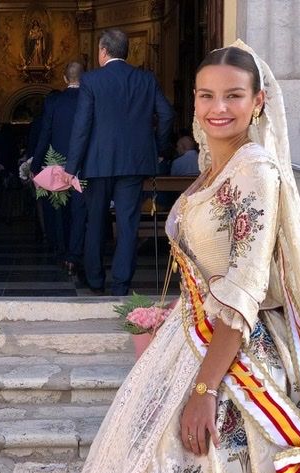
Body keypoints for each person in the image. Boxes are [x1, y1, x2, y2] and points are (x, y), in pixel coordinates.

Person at [80, 41, 300, 473]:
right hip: (192, 338)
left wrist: (205, 390)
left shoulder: (255, 170)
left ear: (258, 101)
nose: (218, 107)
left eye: (234, 95)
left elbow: (244, 288)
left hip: (234, 350)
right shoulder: (216, 166)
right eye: (206, 95)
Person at [65, 29, 174, 295]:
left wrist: (71, 168)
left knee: (95, 222)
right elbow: (167, 115)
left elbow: (82, 126)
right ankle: (121, 284)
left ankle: (95, 280)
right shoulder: (146, 79)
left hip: (98, 164)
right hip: (134, 164)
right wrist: (158, 150)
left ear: (103, 51)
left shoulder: (91, 81)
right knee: (128, 225)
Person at [32, 61, 87, 274]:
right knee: (80, 212)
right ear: (84, 78)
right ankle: (75, 255)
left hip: (59, 165)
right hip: (84, 165)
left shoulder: (54, 103)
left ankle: (62, 252)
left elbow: (45, 134)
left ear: (65, 78)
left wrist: (36, 165)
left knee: (60, 211)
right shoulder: (89, 99)